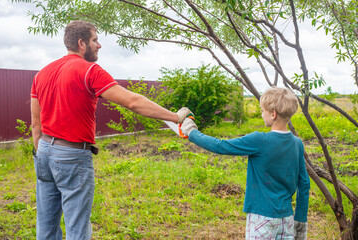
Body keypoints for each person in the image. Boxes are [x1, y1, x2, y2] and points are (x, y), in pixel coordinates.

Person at [30, 20, 192, 240]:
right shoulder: (90, 71)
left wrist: (42, 154)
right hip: (72, 155)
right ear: (81, 43)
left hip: (43, 153)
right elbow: (133, 102)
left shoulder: (42, 74)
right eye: (95, 40)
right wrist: (175, 117)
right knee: (77, 227)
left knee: (46, 227)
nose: (99, 45)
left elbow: (36, 125)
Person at [180, 87, 310, 239]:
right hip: (286, 219)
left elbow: (221, 146)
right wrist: (300, 221)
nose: (262, 114)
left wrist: (191, 132)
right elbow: (304, 183)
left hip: (262, 218)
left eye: (263, 111)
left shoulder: (259, 140)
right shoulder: (297, 143)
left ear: (273, 114)